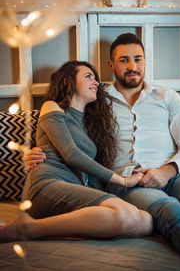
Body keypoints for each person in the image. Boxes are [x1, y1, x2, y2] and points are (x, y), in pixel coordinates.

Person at [26, 34, 180, 263]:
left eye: (138, 59)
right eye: (124, 60)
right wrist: (37, 152)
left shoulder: (167, 97)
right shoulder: (96, 99)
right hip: (128, 183)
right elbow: (68, 131)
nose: (132, 67)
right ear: (111, 65)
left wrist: (166, 171)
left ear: (145, 61)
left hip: (176, 173)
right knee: (171, 212)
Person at [0, 60, 153, 243]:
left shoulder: (89, 126)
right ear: (67, 81)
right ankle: (27, 228)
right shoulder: (52, 107)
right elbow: (71, 154)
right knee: (125, 215)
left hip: (74, 191)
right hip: (47, 184)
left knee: (145, 222)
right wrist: (123, 181)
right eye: (88, 76)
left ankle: (44, 228)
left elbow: (90, 173)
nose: (96, 82)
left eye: (95, 78)